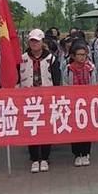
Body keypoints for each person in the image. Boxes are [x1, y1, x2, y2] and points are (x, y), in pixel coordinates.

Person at [19, 29, 61, 173]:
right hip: (28, 100)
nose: (34, 44)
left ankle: (45, 157)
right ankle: (34, 158)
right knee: (31, 128)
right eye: (32, 41)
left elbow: (57, 81)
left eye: (37, 41)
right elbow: (17, 79)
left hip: (46, 99)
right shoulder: (22, 58)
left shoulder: (52, 59)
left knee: (45, 128)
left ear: (43, 42)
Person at [63, 41, 98, 167]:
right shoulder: (68, 69)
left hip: (87, 102)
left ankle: (86, 152)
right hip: (73, 103)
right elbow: (64, 85)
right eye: (79, 54)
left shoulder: (91, 68)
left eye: (84, 54)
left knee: (87, 128)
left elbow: (95, 85)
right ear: (73, 56)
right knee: (75, 128)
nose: (82, 57)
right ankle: (77, 154)